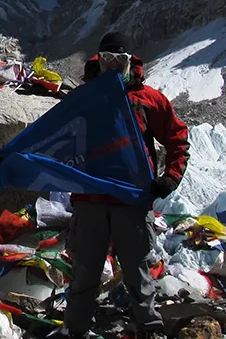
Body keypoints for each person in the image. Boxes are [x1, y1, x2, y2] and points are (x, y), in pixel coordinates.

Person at [64, 31, 190, 339]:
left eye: (118, 60)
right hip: (90, 199)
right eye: (107, 59)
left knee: (137, 271)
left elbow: (177, 138)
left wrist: (170, 178)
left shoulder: (148, 99)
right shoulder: (84, 97)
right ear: (99, 59)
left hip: (132, 201)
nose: (112, 65)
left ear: (129, 61)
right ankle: (76, 330)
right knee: (85, 273)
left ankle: (149, 329)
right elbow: (56, 139)